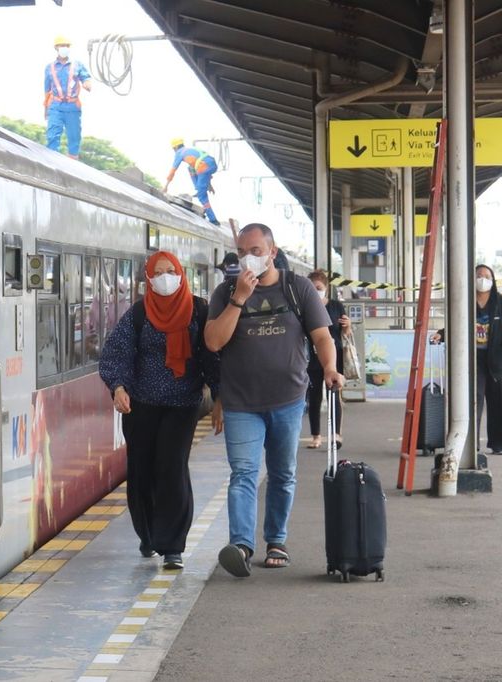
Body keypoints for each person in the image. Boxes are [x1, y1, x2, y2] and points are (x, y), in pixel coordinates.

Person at [204, 223, 344, 576]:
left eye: (255, 250)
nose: (248, 258)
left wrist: (330, 368)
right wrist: (238, 298)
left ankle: (276, 540)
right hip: (240, 402)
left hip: (287, 398)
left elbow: (322, 336)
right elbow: (213, 342)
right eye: (242, 252)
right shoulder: (225, 292)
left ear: (272, 251)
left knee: (283, 473)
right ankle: (241, 545)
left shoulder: (297, 289)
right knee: (244, 473)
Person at [99, 251, 221, 570]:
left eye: (171, 271)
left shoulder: (199, 311)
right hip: (140, 404)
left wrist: (220, 397)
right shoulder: (139, 314)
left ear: (181, 274)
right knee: (141, 470)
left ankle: (172, 545)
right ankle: (148, 534)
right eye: (159, 272)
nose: (165, 277)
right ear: (148, 277)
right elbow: (117, 353)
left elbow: (211, 357)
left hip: (183, 404)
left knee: (171, 468)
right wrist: (119, 386)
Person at [431, 264, 502, 454]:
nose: (483, 279)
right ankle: (472, 443)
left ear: (492, 280)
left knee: (498, 401)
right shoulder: (465, 302)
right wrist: (442, 333)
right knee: (474, 400)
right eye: (479, 275)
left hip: (499, 361)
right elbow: (456, 324)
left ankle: (499, 444)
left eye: (486, 276)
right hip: (474, 360)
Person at [305, 269, 351, 449]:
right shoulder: (305, 307)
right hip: (312, 357)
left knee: (334, 394)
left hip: (335, 355)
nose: (316, 291)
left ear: (326, 287)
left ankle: (335, 434)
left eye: (319, 287)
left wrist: (348, 326)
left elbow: (345, 333)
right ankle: (316, 435)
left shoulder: (336, 306)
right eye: (312, 288)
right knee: (314, 397)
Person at [44, 35, 92, 159]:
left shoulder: (77, 65)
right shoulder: (50, 68)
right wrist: (46, 110)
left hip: (72, 106)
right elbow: (47, 91)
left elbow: (85, 77)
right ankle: (51, 160)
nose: (64, 48)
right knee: (52, 134)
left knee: (74, 136)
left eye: (66, 46)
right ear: (56, 48)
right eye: (61, 46)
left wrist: (87, 84)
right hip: (56, 105)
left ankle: (73, 162)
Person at [163, 139, 219, 225]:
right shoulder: (190, 150)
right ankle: (199, 188)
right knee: (191, 168)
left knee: (202, 196)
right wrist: (209, 185)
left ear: (176, 147)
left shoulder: (179, 153)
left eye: (174, 149)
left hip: (204, 167)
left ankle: (213, 220)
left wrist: (166, 186)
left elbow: (173, 170)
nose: (174, 151)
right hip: (210, 164)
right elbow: (205, 166)